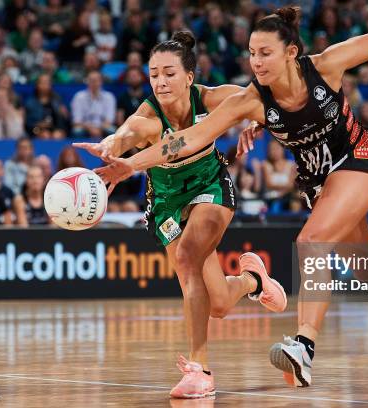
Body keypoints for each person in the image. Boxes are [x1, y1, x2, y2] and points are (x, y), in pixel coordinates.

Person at [95, 7, 368, 388]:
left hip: (359, 157)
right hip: (318, 180)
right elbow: (187, 140)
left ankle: (303, 346)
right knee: (364, 269)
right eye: (251, 53)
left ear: (290, 52)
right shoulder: (252, 100)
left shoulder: (325, 66)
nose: (256, 61)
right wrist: (132, 164)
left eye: (265, 53)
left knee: (311, 241)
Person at [75, 31, 287, 399]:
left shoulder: (212, 98)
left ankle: (200, 370)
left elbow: (268, 100)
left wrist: (257, 123)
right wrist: (110, 145)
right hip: (166, 205)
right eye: (154, 74)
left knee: (189, 256)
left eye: (169, 73)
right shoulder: (148, 117)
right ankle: (253, 281)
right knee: (218, 304)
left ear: (189, 76)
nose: (160, 81)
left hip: (211, 187)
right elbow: (125, 134)